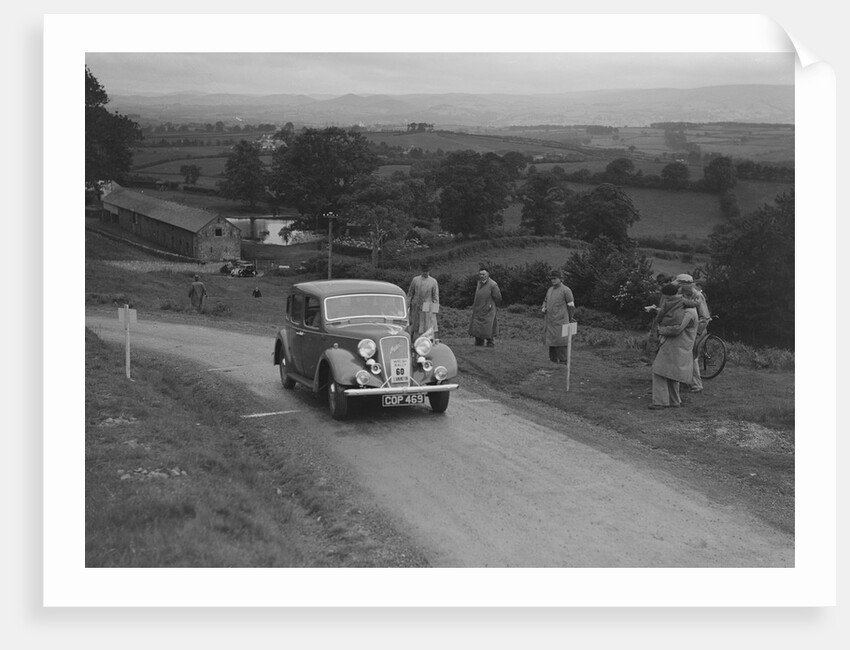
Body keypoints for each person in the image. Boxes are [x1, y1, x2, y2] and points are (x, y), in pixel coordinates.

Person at [649, 302, 698, 409]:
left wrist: (661, 330)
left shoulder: (688, 313)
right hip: (679, 347)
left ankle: (660, 402)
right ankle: (674, 401)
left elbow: (677, 329)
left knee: (658, 370)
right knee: (671, 374)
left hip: (676, 347)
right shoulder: (690, 311)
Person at [675, 273, 711, 393]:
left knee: (692, 357)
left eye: (680, 284)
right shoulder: (681, 293)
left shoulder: (697, 295)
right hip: (685, 331)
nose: (678, 287)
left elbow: (705, 318)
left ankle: (697, 385)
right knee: (683, 356)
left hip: (696, 332)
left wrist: (696, 334)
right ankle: (684, 381)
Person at [541, 270, 576, 363]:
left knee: (561, 343)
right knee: (551, 343)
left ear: (561, 279)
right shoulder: (550, 289)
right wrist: (544, 307)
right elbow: (545, 300)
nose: (553, 280)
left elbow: (571, 306)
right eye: (551, 279)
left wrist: (570, 318)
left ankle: (563, 362)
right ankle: (552, 362)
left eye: (555, 278)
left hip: (561, 322)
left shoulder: (566, 290)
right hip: (550, 321)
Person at [468, 268, 502, 347]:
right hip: (478, 308)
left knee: (488, 326)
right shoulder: (479, 283)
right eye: (480, 274)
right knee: (477, 326)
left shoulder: (493, 284)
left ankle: (490, 342)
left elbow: (498, 297)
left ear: (488, 274)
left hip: (488, 310)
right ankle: (479, 341)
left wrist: (490, 304)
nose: (481, 276)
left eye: (483, 274)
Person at [407, 264, 440, 336]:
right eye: (424, 271)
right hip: (416, 304)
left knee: (426, 324)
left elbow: (435, 296)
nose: (425, 273)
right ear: (421, 271)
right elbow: (410, 293)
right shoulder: (415, 280)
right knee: (414, 323)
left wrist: (435, 310)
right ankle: (412, 337)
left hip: (427, 304)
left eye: (427, 271)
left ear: (429, 272)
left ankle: (426, 337)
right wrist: (407, 305)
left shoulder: (433, 281)